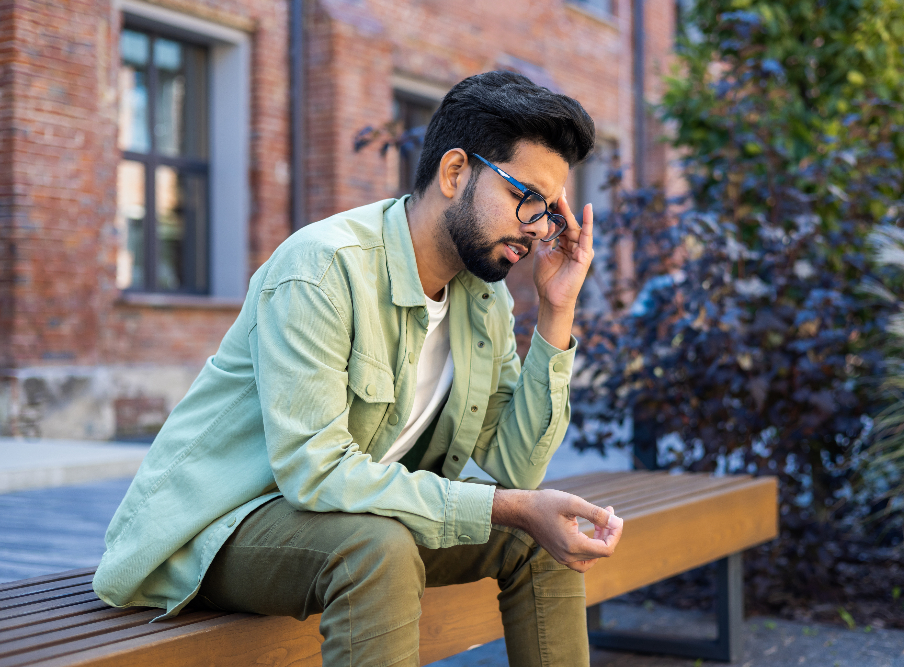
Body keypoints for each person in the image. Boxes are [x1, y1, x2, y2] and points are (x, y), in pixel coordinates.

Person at [93, 70, 624, 667]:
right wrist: (509, 505)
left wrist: (557, 310)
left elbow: (517, 467)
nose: (538, 226)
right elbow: (314, 474)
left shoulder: (484, 299)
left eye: (550, 211)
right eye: (526, 196)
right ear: (455, 173)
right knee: (379, 547)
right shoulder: (323, 268)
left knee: (539, 539)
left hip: (348, 525)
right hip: (219, 529)